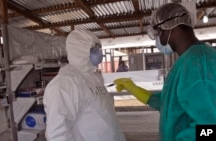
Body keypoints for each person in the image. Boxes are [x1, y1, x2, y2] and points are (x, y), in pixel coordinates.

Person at [113, 3, 216, 141]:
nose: (157, 39)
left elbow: (209, 129)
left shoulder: (197, 63)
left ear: (170, 29)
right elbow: (170, 102)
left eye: (158, 33)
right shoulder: (187, 60)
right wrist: (136, 89)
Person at [43, 30, 126, 141]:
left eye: (98, 48)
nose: (98, 52)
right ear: (80, 50)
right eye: (94, 48)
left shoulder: (94, 78)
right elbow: (57, 133)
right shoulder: (64, 84)